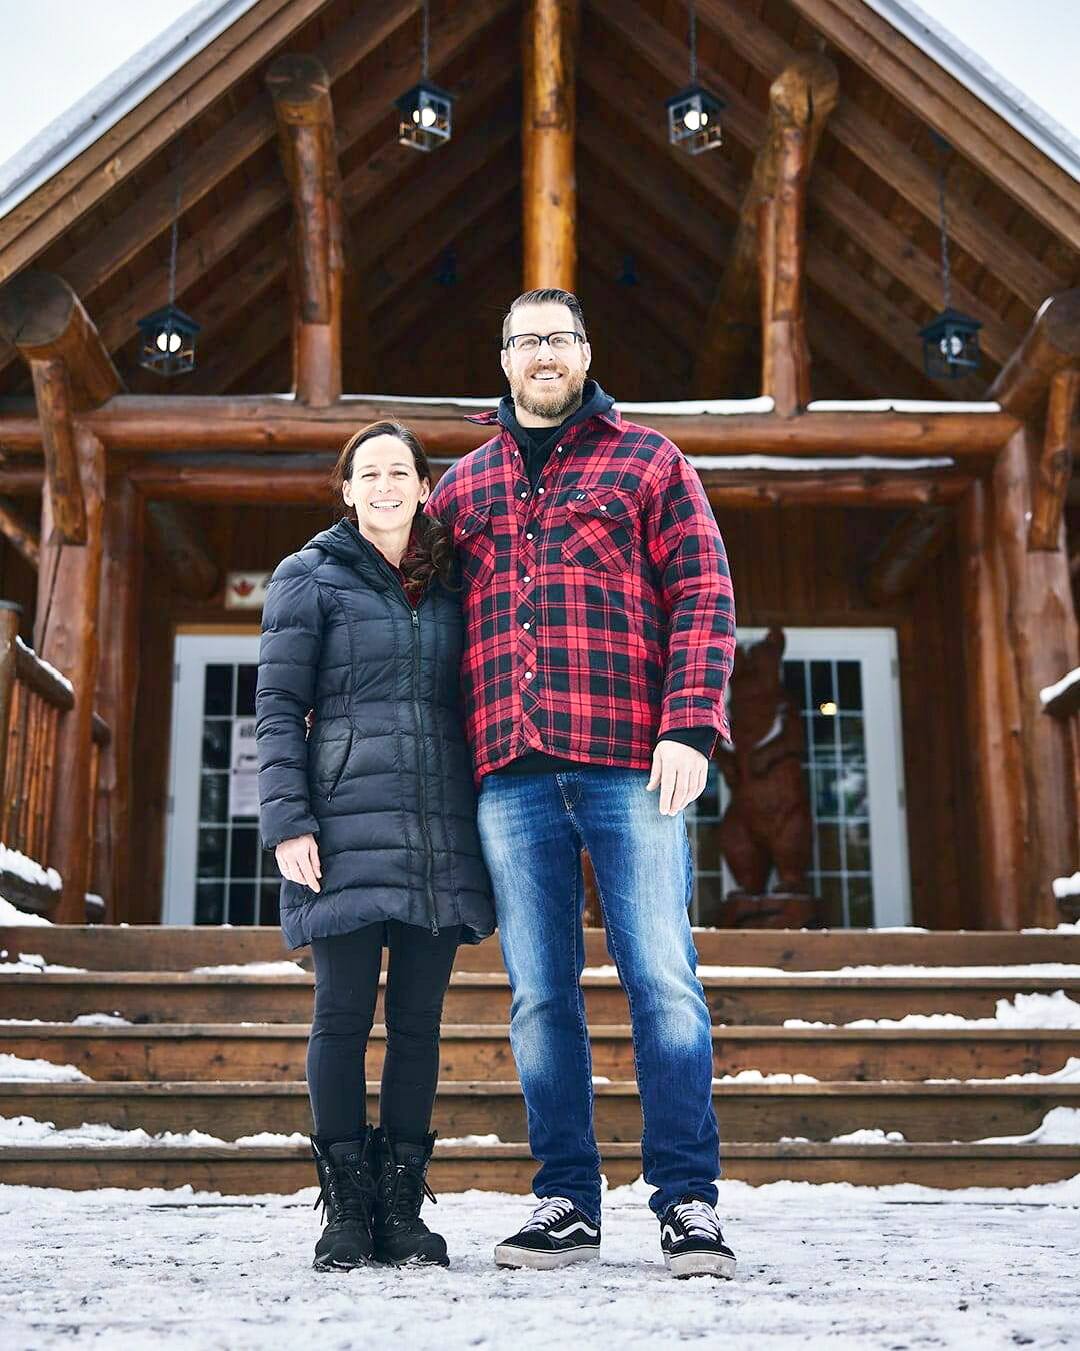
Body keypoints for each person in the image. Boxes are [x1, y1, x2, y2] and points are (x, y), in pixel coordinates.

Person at [426, 288, 738, 1280]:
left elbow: (703, 589)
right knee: (537, 995)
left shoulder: (649, 460)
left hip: (628, 760)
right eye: (526, 340)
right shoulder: (461, 487)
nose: (543, 354)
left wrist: (691, 721)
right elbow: (414, 612)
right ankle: (566, 1199)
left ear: (585, 352)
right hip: (507, 773)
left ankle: (687, 1200)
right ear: (504, 359)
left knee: (663, 979)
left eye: (559, 338)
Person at [256, 420, 495, 1272]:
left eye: (401, 472)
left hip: (439, 828)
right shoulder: (308, 575)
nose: (386, 485)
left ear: (425, 487)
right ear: (347, 489)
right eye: (370, 473)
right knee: (343, 1014)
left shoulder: (460, 579)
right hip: (343, 823)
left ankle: (400, 1207)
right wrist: (288, 820)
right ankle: (346, 1209)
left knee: (419, 1023)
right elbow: (277, 710)